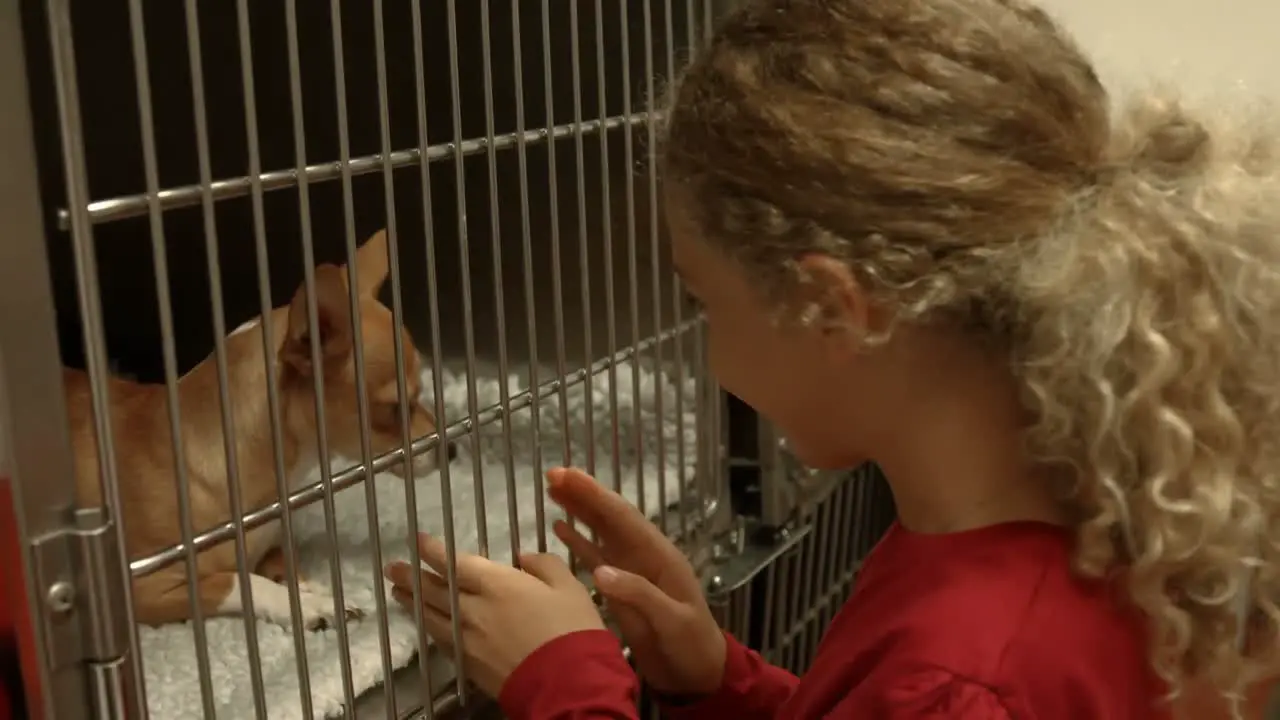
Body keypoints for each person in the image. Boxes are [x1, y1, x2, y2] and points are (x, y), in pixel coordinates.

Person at [384, 0, 1280, 717]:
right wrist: (718, 681)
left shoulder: (972, 676)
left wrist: (568, 685)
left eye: (705, 303)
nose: (707, 351)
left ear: (834, 309)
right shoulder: (1044, 537)